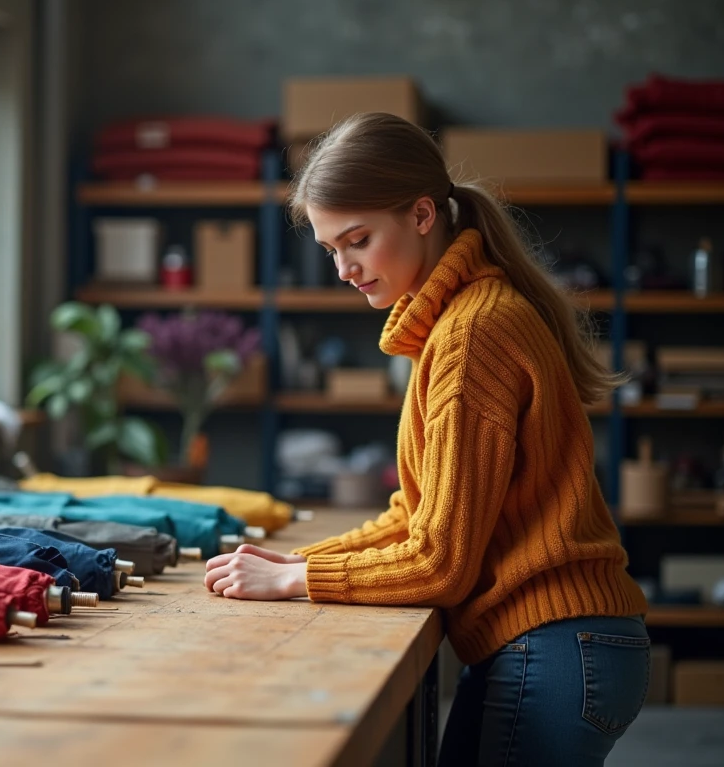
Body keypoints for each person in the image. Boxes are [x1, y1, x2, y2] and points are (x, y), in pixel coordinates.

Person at [204, 112, 650, 766]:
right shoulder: (453, 324)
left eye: (357, 240)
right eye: (331, 249)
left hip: (555, 642)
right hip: (553, 641)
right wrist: (297, 565)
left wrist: (297, 581)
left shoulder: (474, 334)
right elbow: (416, 516)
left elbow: (439, 562)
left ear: (421, 215)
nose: (344, 268)